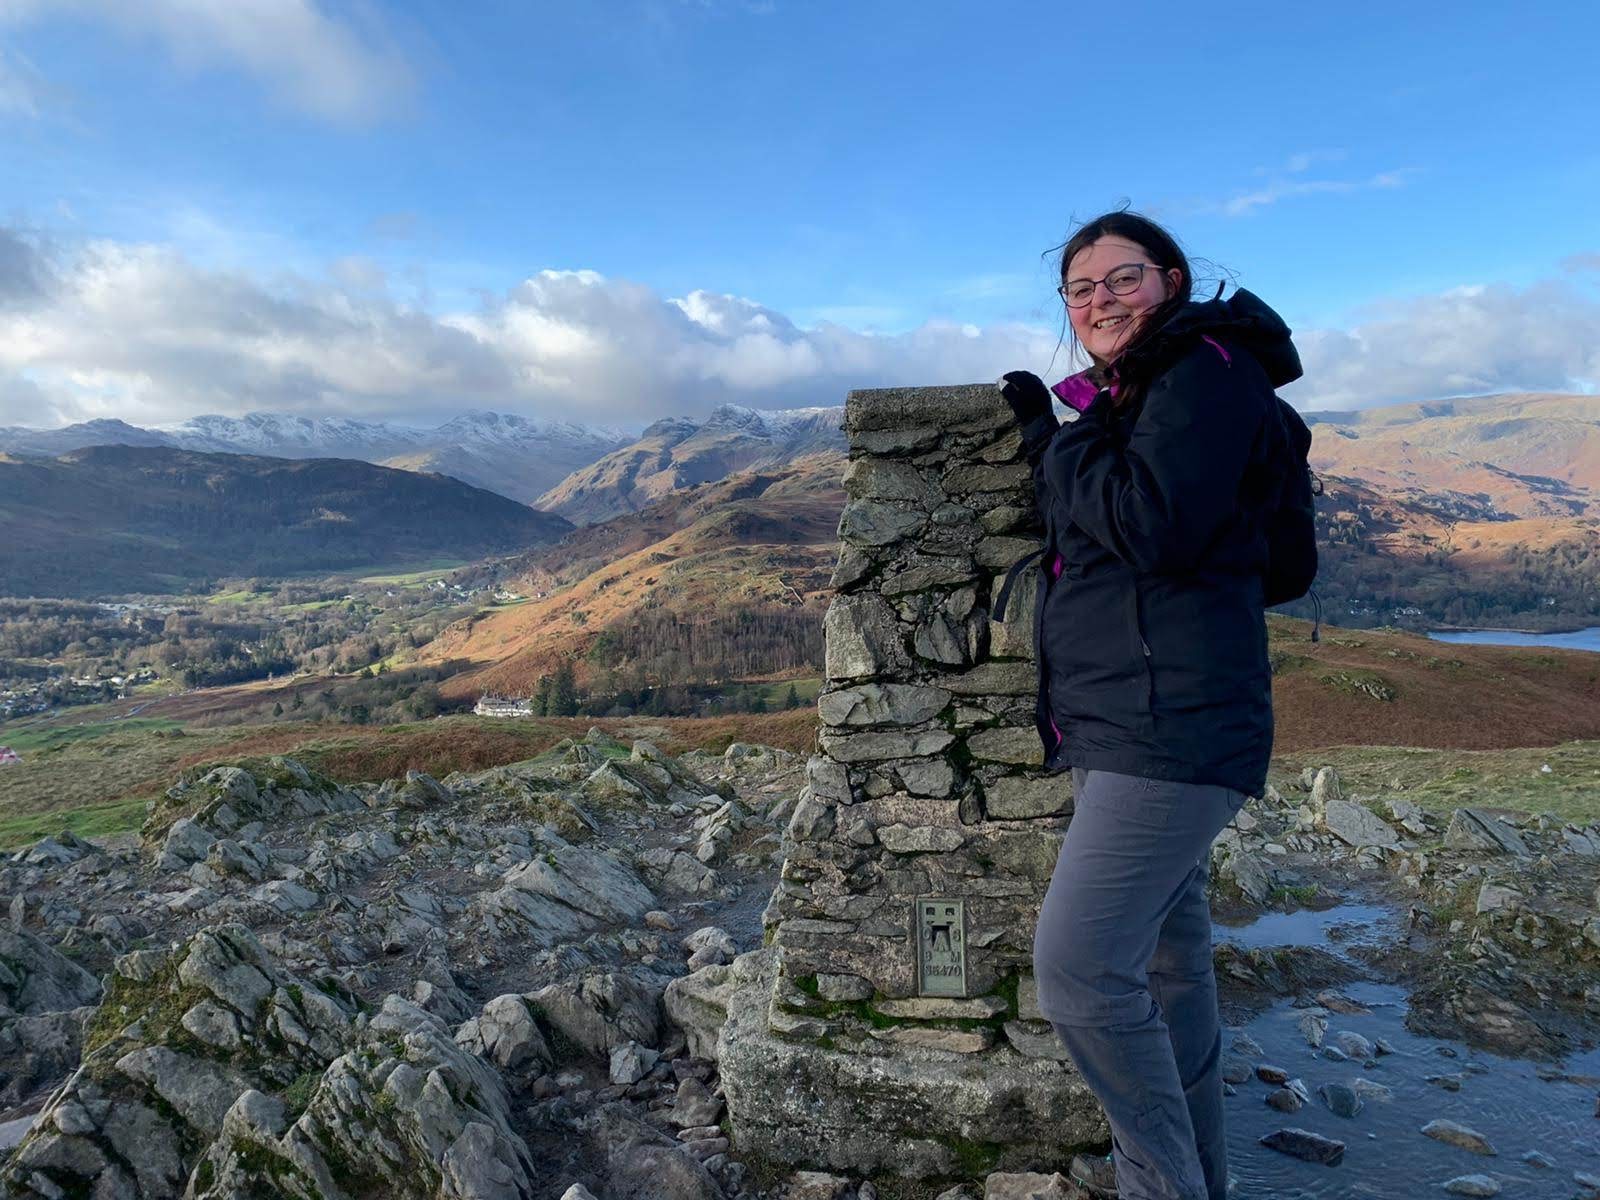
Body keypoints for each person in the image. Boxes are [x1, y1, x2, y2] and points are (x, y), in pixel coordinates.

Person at [998, 210, 1308, 1200]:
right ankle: (1199, 1181)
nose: (1100, 301)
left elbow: (1152, 523)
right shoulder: (1148, 389)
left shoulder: (1200, 371)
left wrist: (1058, 441)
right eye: (1080, 289)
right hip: (1129, 717)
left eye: (1122, 278)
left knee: (1079, 970)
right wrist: (1065, 435)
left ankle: (1158, 1185)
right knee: (1170, 968)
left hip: (1168, 726)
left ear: (1170, 278)